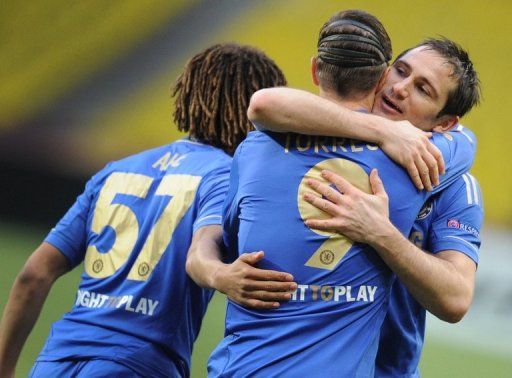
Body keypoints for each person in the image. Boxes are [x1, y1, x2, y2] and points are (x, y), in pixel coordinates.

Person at [205, 10, 476, 377]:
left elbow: (456, 298)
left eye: (423, 89)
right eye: (400, 70)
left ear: (445, 125)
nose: (399, 88)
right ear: (382, 71)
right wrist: (385, 132)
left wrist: (382, 235)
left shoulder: (447, 178)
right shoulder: (289, 135)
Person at [0, 44, 287, 378]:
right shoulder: (224, 176)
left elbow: (33, 275)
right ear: (254, 112)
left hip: (56, 362)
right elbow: (202, 249)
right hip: (138, 365)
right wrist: (223, 275)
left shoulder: (115, 171)